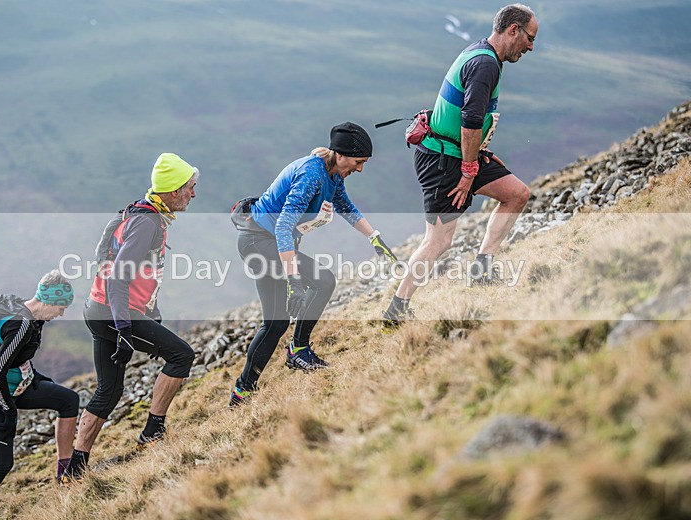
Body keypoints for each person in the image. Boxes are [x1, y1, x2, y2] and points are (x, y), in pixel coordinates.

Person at [382, 3, 537, 327]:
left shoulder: (483, 54)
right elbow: (470, 120)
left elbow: (470, 123)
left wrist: (479, 155)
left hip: (461, 152)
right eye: (529, 38)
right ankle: (397, 308)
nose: (530, 47)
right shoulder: (485, 64)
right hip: (443, 159)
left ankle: (482, 267)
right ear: (513, 30)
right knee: (438, 241)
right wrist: (469, 171)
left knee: (516, 194)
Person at [229, 122, 398, 407]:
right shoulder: (311, 174)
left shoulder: (333, 175)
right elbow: (284, 226)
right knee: (323, 281)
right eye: (358, 162)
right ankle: (299, 350)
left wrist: (375, 238)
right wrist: (294, 281)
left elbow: (346, 207)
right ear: (342, 155)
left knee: (275, 322)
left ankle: (243, 391)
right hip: (262, 243)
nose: (360, 169)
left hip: (261, 243)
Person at [61, 153, 198, 482]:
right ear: (172, 191)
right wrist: (124, 328)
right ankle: (153, 433)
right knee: (182, 355)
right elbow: (118, 276)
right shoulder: (147, 221)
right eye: (190, 188)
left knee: (109, 390)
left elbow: (102, 255)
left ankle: (74, 468)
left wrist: (149, 311)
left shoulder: (135, 211)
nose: (194, 194)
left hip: (98, 310)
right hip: (115, 315)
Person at [0, 271, 78, 520]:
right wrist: (8, 412)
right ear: (49, 301)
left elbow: (16, 357)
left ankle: (65, 472)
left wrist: (35, 376)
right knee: (2, 463)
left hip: (17, 387)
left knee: (68, 400)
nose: (61, 314)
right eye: (61, 308)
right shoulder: (22, 324)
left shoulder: (33, 319)